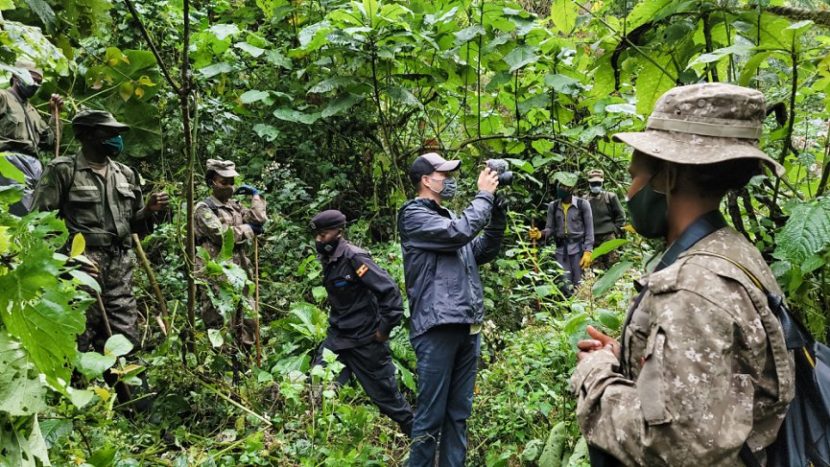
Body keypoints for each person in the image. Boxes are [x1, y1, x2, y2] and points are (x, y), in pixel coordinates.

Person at [571, 83, 794, 466]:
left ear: (668, 176)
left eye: (634, 176)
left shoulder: (694, 287)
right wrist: (628, 355)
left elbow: (672, 447)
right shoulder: (732, 250)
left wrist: (595, 375)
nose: (629, 192)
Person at [398, 152, 506, 466]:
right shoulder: (414, 215)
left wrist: (496, 212)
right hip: (437, 327)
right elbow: (458, 233)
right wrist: (484, 196)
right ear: (425, 180)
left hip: (465, 325)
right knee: (430, 417)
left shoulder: (447, 219)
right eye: (443, 174)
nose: (449, 180)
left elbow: (482, 249)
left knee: (458, 415)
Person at [32, 109, 169, 353]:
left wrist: (148, 210)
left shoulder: (126, 174)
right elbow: (40, 223)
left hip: (120, 269)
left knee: (125, 339)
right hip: (80, 268)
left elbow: (135, 227)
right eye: (109, 132)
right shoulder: (63, 170)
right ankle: (80, 388)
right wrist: (65, 259)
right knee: (78, 336)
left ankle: (126, 389)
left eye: (117, 132)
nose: (116, 138)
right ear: (87, 135)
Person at [310, 209, 413, 436]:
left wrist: (384, 330)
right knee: (318, 385)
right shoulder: (329, 258)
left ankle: (423, 439)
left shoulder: (355, 258)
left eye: (323, 235)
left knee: (387, 400)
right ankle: (318, 439)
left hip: (365, 341)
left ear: (338, 232)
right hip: (338, 338)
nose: (319, 240)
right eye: (316, 235)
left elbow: (390, 293)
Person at [194, 159, 267, 344]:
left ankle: (246, 363)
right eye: (224, 182)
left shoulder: (235, 206)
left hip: (240, 269)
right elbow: (221, 235)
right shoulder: (204, 209)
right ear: (212, 182)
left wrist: (256, 197)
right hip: (216, 271)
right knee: (222, 320)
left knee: (249, 316)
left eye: (232, 182)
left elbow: (258, 219)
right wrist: (248, 230)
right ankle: (225, 365)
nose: (229, 187)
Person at [0, 60, 63, 215]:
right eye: (32, 78)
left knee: (37, 214)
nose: (35, 84)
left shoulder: (31, 110)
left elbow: (50, 142)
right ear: (16, 76)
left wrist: (55, 113)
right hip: (10, 161)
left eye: (38, 82)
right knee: (22, 212)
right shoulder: (3, 97)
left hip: (34, 167)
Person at [531, 178, 594, 286]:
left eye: (564, 187)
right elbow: (550, 228)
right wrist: (539, 234)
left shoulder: (583, 204)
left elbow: (589, 229)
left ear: (571, 189)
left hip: (579, 249)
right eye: (560, 186)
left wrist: (588, 251)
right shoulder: (553, 206)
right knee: (565, 283)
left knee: (580, 283)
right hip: (561, 250)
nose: (561, 189)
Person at [584, 169, 626, 269]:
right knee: (596, 267)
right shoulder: (584, 199)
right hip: (592, 238)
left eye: (598, 183)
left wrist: (615, 230)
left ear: (602, 182)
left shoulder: (610, 197)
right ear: (589, 183)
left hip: (608, 236)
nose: (595, 185)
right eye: (593, 183)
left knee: (613, 264)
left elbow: (621, 216)